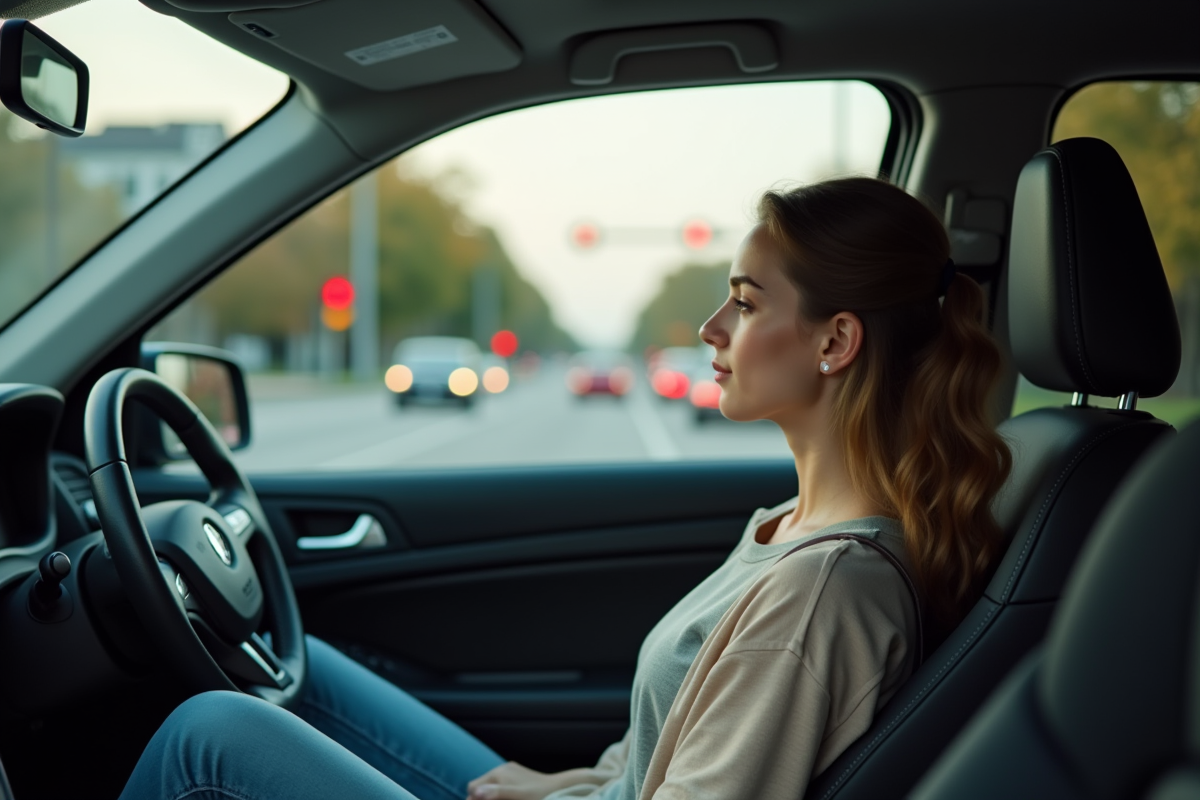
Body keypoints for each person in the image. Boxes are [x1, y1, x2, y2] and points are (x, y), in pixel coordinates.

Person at [118, 177, 1011, 800]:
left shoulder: (823, 593)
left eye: (743, 301)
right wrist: (561, 786)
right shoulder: (790, 529)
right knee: (305, 672)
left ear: (835, 342)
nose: (710, 327)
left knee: (212, 737)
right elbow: (665, 754)